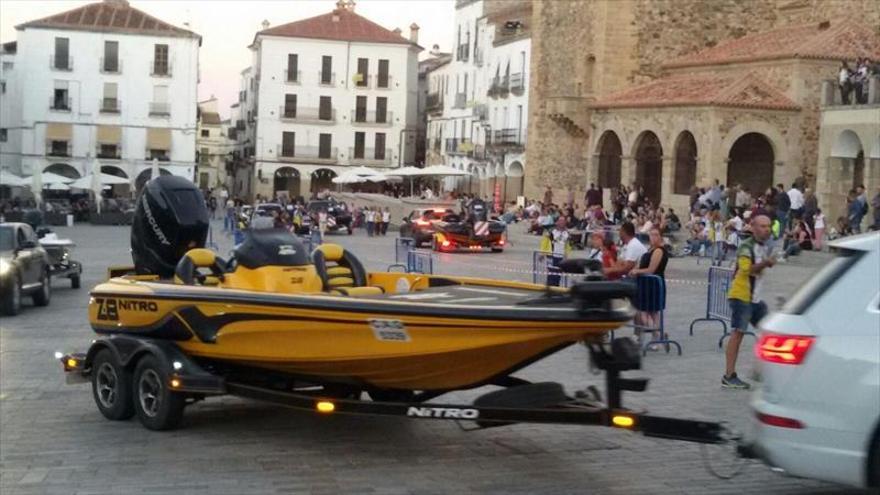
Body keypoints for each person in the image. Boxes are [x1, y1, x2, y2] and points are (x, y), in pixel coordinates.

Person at [724, 214, 775, 390]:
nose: (766, 229)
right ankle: (729, 375)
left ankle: (761, 370)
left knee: (769, 331)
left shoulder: (765, 245)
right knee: (738, 333)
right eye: (762, 226)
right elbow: (746, 269)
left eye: (768, 226)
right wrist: (766, 264)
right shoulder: (746, 247)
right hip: (742, 296)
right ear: (753, 227)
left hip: (756, 298)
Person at [629, 226, 669, 349]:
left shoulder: (659, 251)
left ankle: (658, 335)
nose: (652, 237)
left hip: (653, 284)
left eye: (656, 234)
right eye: (651, 234)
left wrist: (637, 271)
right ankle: (657, 336)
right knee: (650, 313)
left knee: (646, 313)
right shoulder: (651, 249)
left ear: (660, 236)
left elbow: (652, 269)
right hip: (646, 284)